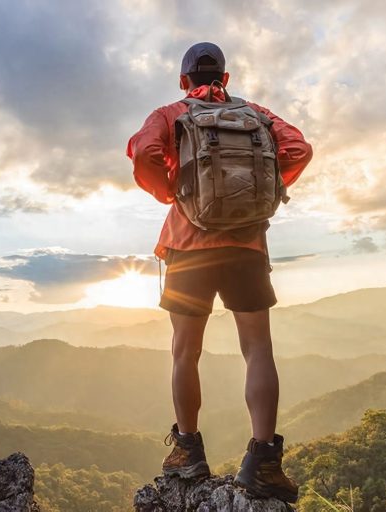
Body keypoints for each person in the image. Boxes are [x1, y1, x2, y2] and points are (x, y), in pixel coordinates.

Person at [126, 42, 312, 503]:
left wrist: (174, 193)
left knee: (185, 352)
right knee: (257, 348)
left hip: (189, 247)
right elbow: (298, 149)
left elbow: (144, 153)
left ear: (184, 80)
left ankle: (188, 450)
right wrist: (261, 191)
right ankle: (264, 461)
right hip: (247, 244)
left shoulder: (171, 113)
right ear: (225, 78)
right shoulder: (257, 114)